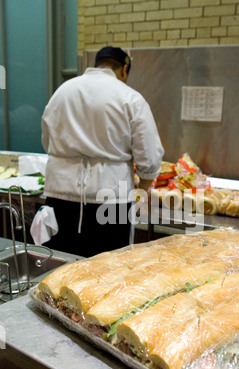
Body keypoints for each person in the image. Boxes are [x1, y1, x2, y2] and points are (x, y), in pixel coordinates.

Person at [41, 46, 164, 257]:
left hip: (59, 194)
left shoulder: (62, 92)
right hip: (110, 198)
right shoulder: (129, 97)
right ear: (124, 69)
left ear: (98, 64)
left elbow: (47, 141)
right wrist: (139, 192)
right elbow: (149, 158)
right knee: (107, 272)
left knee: (59, 263)